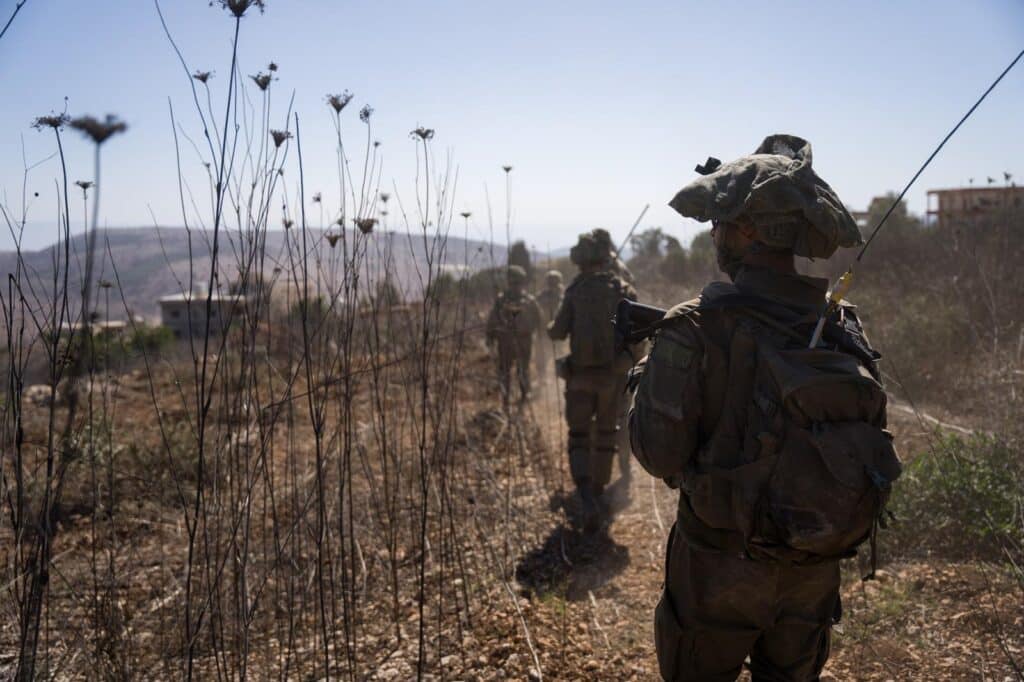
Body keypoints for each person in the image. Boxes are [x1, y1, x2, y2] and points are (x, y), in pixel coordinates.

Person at [629, 134, 900, 681]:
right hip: (812, 569)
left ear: (748, 230)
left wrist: (642, 380)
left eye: (722, 221)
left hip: (718, 571)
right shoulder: (841, 325)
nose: (715, 233)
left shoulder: (694, 325)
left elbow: (659, 454)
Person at [548, 233, 637, 528]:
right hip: (611, 379)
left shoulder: (575, 291)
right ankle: (599, 491)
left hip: (580, 379)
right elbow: (638, 336)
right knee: (606, 435)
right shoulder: (623, 289)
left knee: (579, 435)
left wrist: (551, 325)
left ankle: (585, 491)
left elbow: (557, 332)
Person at [487, 265, 543, 409]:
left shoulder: (528, 300)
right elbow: (493, 320)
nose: (514, 286)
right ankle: (509, 400)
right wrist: (490, 336)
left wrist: (490, 337)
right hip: (510, 342)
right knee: (511, 371)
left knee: (518, 370)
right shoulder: (505, 300)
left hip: (518, 341)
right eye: (513, 283)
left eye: (516, 282)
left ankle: (519, 399)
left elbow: (538, 321)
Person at [534, 270, 564, 376]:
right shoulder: (562, 297)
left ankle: (548, 380)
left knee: (554, 358)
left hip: (553, 333)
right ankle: (545, 381)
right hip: (548, 333)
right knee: (544, 361)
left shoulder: (562, 297)